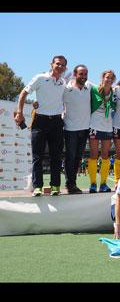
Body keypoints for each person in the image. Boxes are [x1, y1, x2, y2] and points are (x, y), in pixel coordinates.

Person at [14, 55, 67, 196]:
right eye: (58, 64)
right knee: (37, 156)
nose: (60, 67)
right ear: (51, 64)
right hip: (40, 121)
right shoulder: (40, 77)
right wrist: (19, 112)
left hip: (56, 122)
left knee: (56, 156)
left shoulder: (63, 82)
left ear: (65, 68)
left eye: (63, 65)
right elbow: (23, 93)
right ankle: (37, 187)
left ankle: (55, 186)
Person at [62, 64, 92, 194]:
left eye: (85, 74)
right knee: (70, 157)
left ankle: (72, 184)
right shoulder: (66, 88)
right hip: (70, 129)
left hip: (85, 129)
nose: (83, 77)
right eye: (81, 74)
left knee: (78, 158)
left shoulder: (89, 87)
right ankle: (70, 184)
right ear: (75, 74)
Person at [88, 70, 117, 193]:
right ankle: (93, 183)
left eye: (111, 78)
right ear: (102, 78)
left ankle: (103, 183)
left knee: (105, 155)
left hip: (107, 126)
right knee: (94, 154)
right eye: (107, 77)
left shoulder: (114, 92)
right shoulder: (93, 89)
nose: (109, 80)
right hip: (94, 125)